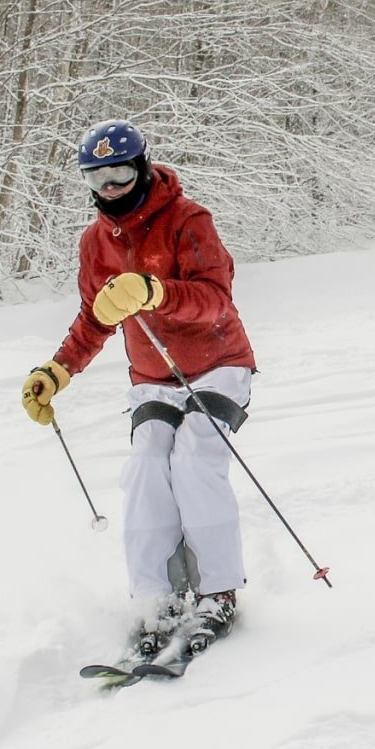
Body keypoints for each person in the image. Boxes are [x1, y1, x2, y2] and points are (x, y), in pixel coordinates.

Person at [19, 120, 258, 657]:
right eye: (97, 178)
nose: (110, 189)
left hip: (218, 363)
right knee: (147, 466)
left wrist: (153, 291)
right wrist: (57, 371)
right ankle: (157, 599)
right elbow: (94, 317)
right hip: (154, 376)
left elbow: (215, 298)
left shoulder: (189, 220)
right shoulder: (95, 243)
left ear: (144, 167)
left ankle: (217, 591)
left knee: (195, 459)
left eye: (121, 174)